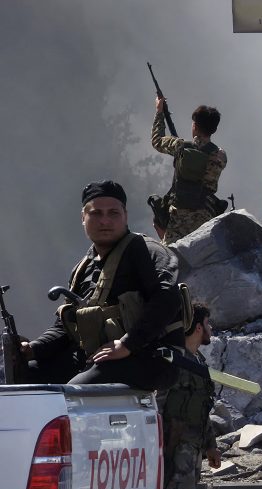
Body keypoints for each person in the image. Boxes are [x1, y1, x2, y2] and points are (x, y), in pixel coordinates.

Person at [22, 181, 183, 391]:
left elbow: (167, 298)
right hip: (98, 357)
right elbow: (65, 327)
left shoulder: (148, 252)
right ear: (83, 217)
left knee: (73, 392)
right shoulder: (83, 268)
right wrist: (32, 349)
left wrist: (127, 344)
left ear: (125, 215)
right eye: (96, 213)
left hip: (150, 356)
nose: (105, 220)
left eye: (113, 213)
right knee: (17, 374)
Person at [155, 303, 222, 489]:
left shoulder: (198, 363)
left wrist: (211, 445)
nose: (210, 329)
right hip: (176, 443)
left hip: (193, 445)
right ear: (198, 327)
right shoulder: (173, 362)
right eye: (208, 324)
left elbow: (202, 408)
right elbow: (158, 404)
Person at [151, 97, 227, 244]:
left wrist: (159, 112)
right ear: (214, 129)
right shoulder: (220, 155)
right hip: (205, 216)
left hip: (177, 214)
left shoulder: (180, 146)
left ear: (195, 126)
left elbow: (157, 140)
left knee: (172, 258)